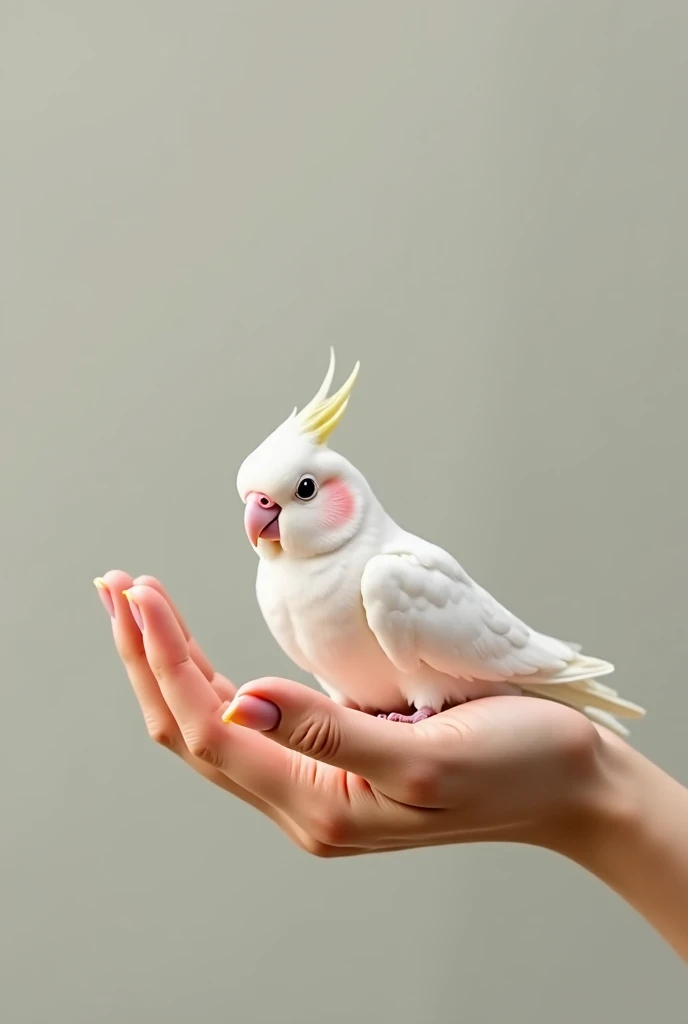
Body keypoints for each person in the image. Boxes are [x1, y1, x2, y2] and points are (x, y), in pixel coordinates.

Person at [94, 569, 688, 964]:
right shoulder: (277, 586)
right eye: (255, 502)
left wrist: (587, 789)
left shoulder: (390, 574)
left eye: (300, 493)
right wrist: (594, 790)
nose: (264, 516)